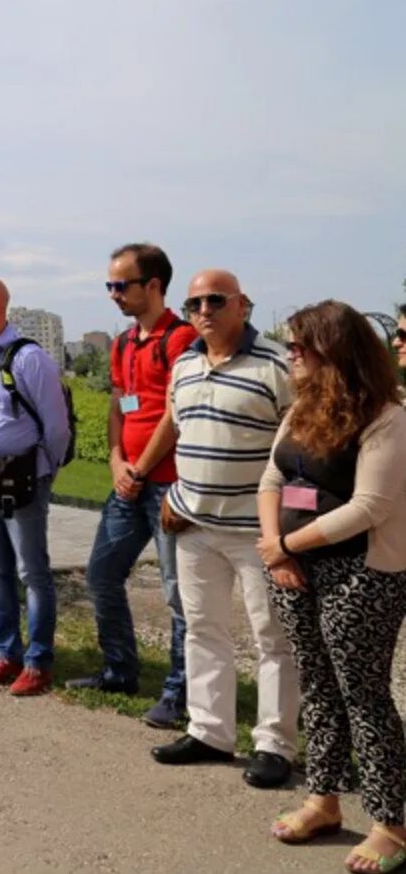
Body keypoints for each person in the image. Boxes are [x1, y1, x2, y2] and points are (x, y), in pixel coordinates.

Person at [253, 301, 406, 872]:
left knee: (364, 697)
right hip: (295, 568)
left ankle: (391, 822)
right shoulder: (300, 411)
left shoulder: (387, 417)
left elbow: (371, 506)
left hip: (362, 575)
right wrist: (275, 550)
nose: (290, 353)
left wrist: (289, 546)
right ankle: (324, 800)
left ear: (334, 351)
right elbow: (272, 478)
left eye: (300, 346)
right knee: (316, 686)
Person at [148, 269, 298, 789]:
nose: (204, 310)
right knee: (203, 629)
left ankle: (275, 744)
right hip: (193, 525)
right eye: (194, 303)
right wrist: (173, 490)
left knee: (272, 638)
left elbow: (303, 450)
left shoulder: (277, 363)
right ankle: (210, 731)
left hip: (256, 531)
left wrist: (285, 528)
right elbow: (182, 430)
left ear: (242, 305)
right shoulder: (185, 363)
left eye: (216, 300)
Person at [68, 244, 195, 728]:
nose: (114, 294)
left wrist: (140, 468)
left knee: (177, 594)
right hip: (131, 482)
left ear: (155, 286)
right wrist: (118, 461)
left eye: (122, 285)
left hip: (168, 486)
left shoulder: (181, 339)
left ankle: (178, 693)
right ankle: (120, 670)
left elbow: (176, 412)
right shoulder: (123, 344)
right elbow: (120, 403)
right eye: (110, 286)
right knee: (101, 574)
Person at [0, 276, 70, 697]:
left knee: (31, 572)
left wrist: (46, 471)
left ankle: (38, 661)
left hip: (25, 479)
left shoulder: (30, 359)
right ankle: (7, 654)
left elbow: (57, 426)